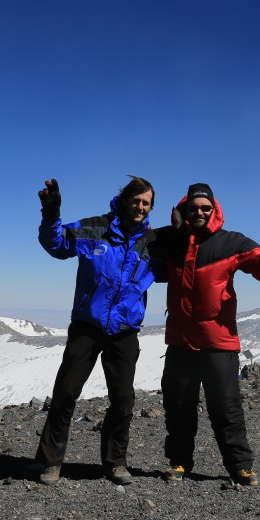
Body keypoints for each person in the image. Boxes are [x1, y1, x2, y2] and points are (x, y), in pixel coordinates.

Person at [154, 183, 260, 486]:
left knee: (226, 406)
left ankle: (240, 466)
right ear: (185, 210)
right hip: (180, 342)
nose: (199, 212)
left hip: (218, 343)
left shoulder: (231, 242)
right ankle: (179, 462)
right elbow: (136, 240)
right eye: (193, 208)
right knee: (178, 405)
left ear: (214, 209)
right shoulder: (170, 240)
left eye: (205, 208)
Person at [33, 176, 159, 486]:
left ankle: (115, 463)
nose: (140, 206)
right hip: (87, 326)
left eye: (146, 203)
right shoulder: (95, 227)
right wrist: (51, 213)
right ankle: (51, 463)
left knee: (123, 399)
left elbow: (183, 261)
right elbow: (56, 244)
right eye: (136, 200)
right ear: (125, 200)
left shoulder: (154, 242)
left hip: (124, 330)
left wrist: (181, 229)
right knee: (65, 393)